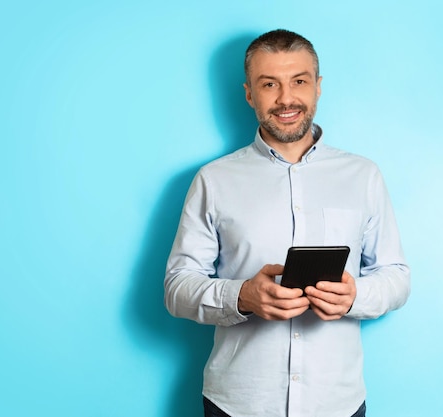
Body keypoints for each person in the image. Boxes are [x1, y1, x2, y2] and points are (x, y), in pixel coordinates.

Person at [164, 29, 410, 417]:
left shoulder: (363, 175)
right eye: (269, 84)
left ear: (318, 86)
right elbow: (177, 287)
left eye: (299, 81)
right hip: (237, 404)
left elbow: (396, 277)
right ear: (249, 94)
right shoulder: (213, 180)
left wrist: (354, 297)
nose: (286, 99)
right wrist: (241, 296)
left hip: (337, 404)